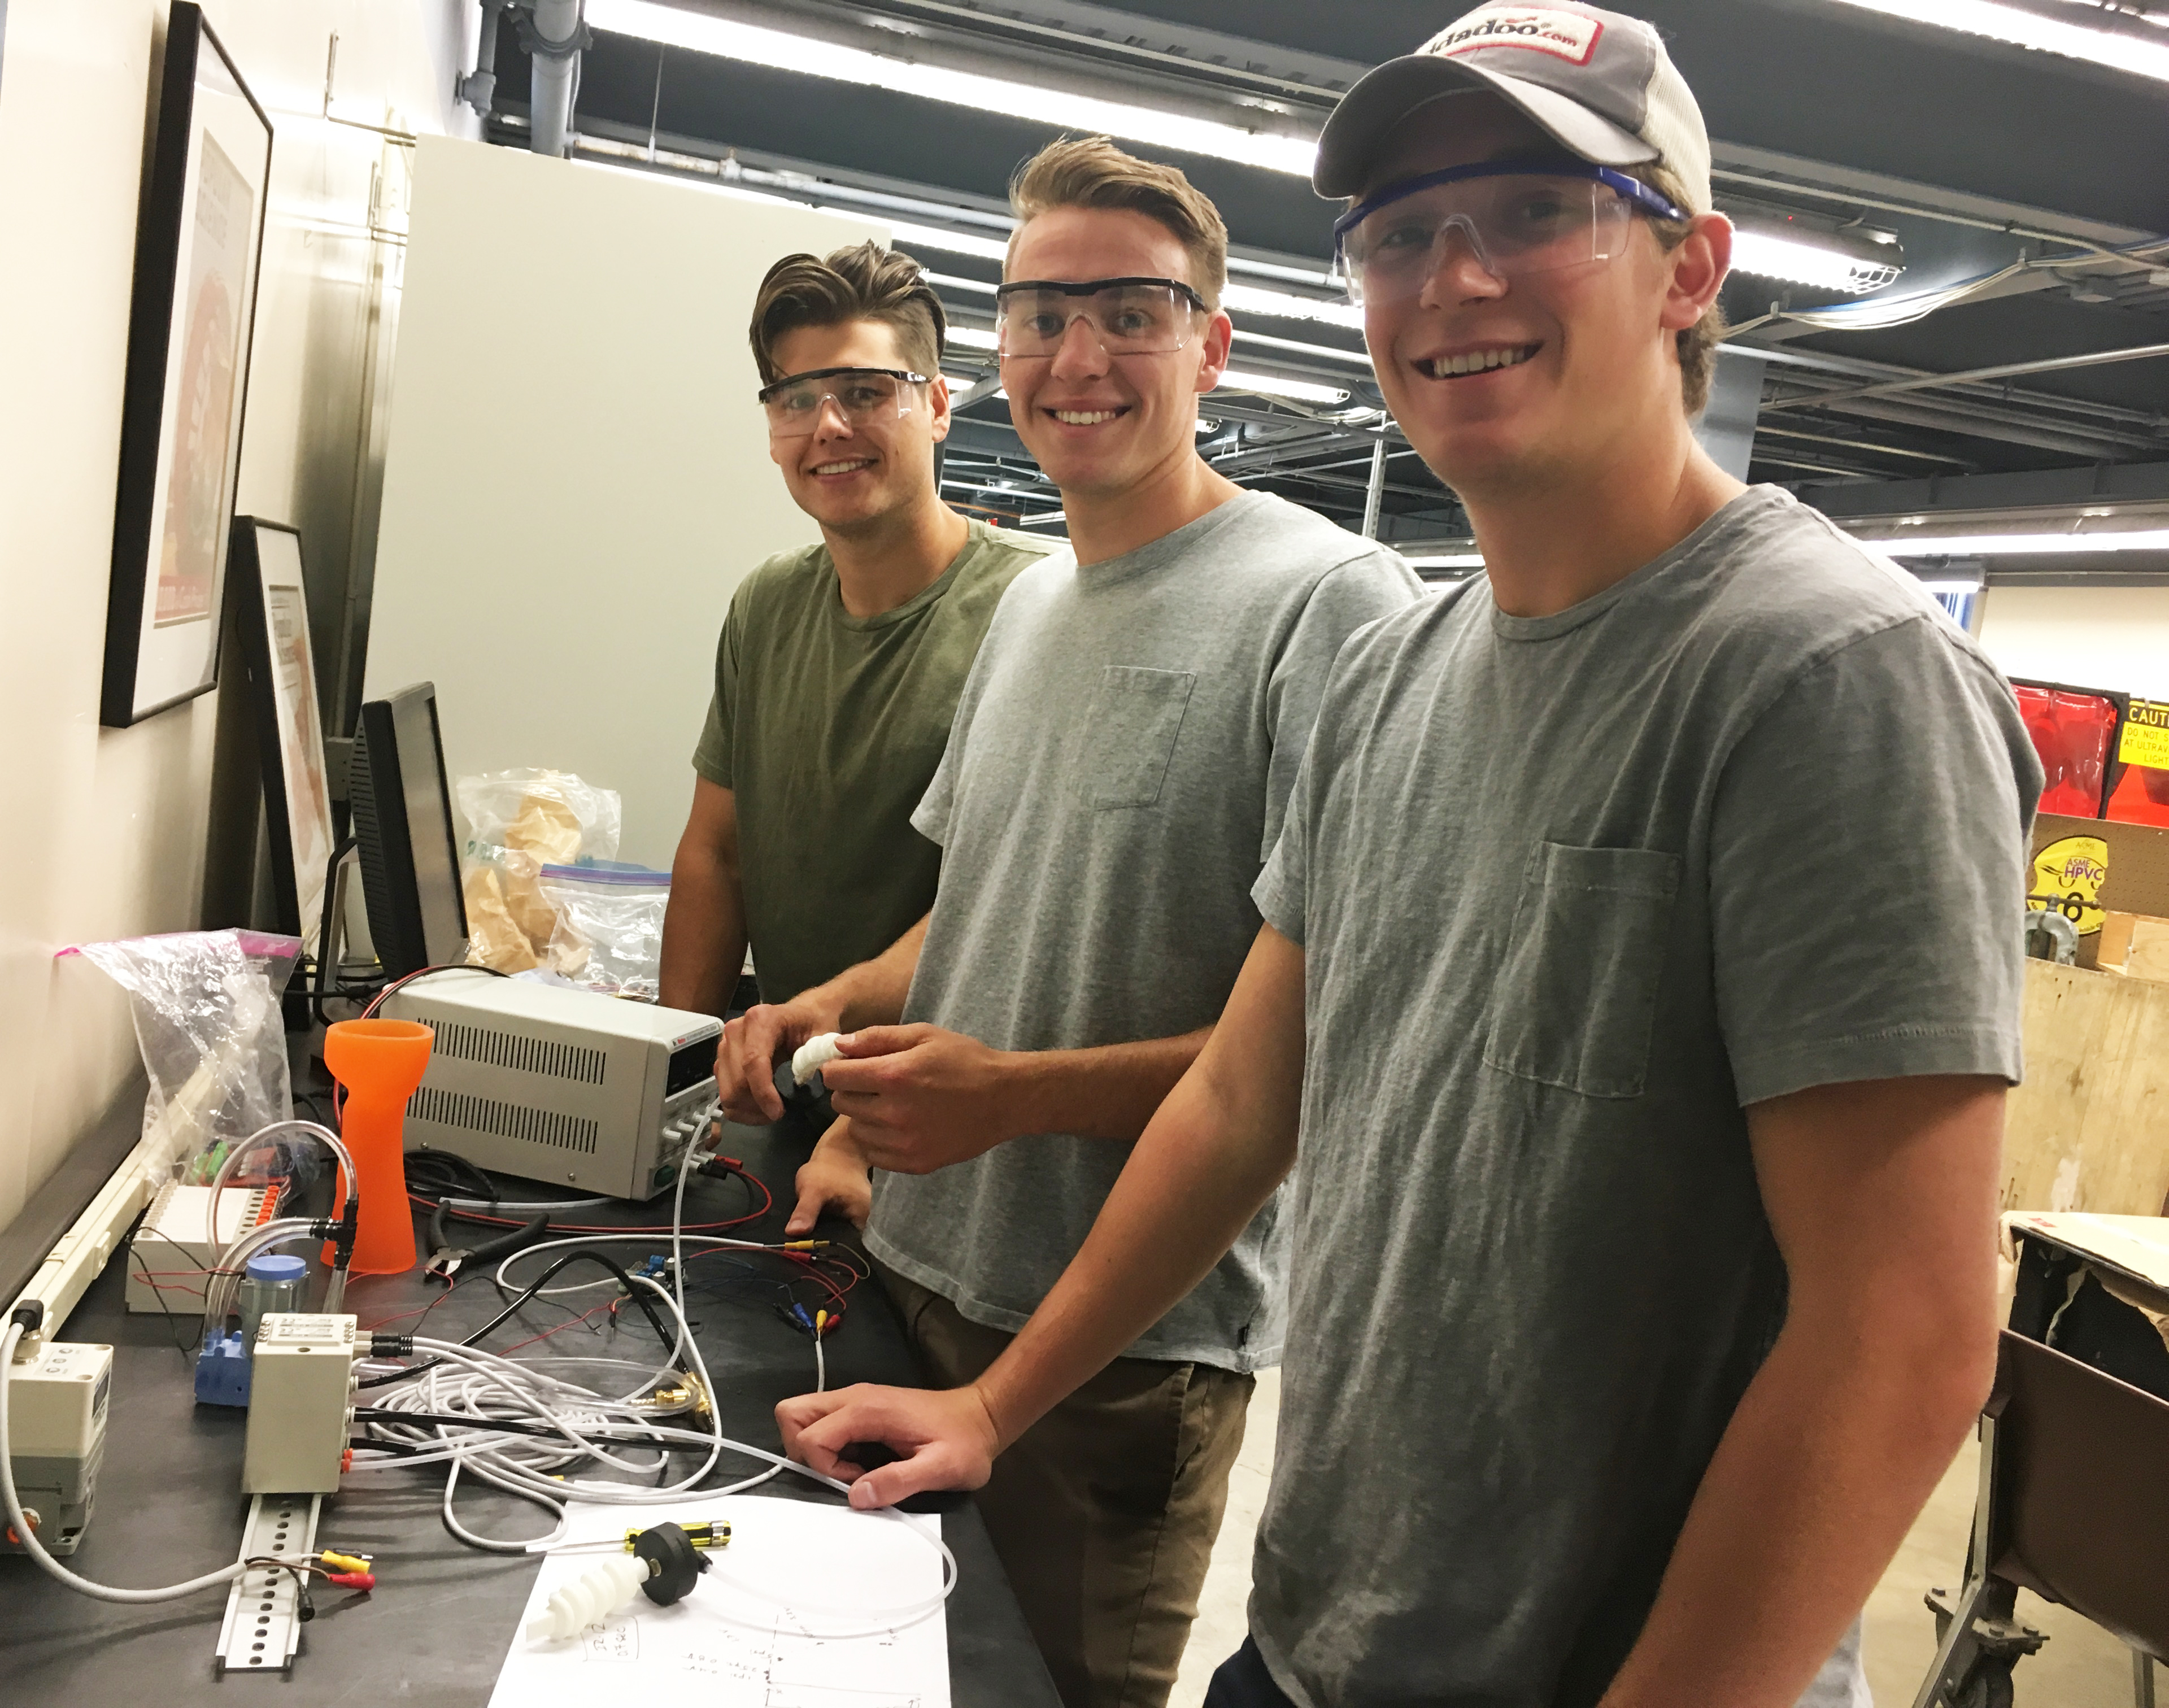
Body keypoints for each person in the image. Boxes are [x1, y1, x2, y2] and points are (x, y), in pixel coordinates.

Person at [773, 9, 2046, 1708]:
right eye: (1398, 234)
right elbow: (1244, 1102)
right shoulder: (1392, 674)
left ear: (1688, 270)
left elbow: (1902, 1335)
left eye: (1534, 209)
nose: (1453, 279)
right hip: (1315, 1650)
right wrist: (996, 1408)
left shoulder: (1826, 675)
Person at [715, 139, 1422, 1708]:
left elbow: (1321, 1049)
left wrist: (1008, 1100)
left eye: (1131, 312)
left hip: (1116, 1362)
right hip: (911, 1281)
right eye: (1041, 313)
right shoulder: (1038, 602)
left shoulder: (1336, 610)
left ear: (1213, 344)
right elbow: (974, 910)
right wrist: (822, 1011)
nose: (1077, 357)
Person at [658, 243, 1050, 1026]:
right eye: (795, 401)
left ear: (938, 406)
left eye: (865, 392)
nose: (828, 426)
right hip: (786, 1092)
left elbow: (1025, 907)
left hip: (953, 1115)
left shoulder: (1038, 606)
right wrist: (667, 1080)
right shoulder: (766, 607)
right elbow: (717, 854)